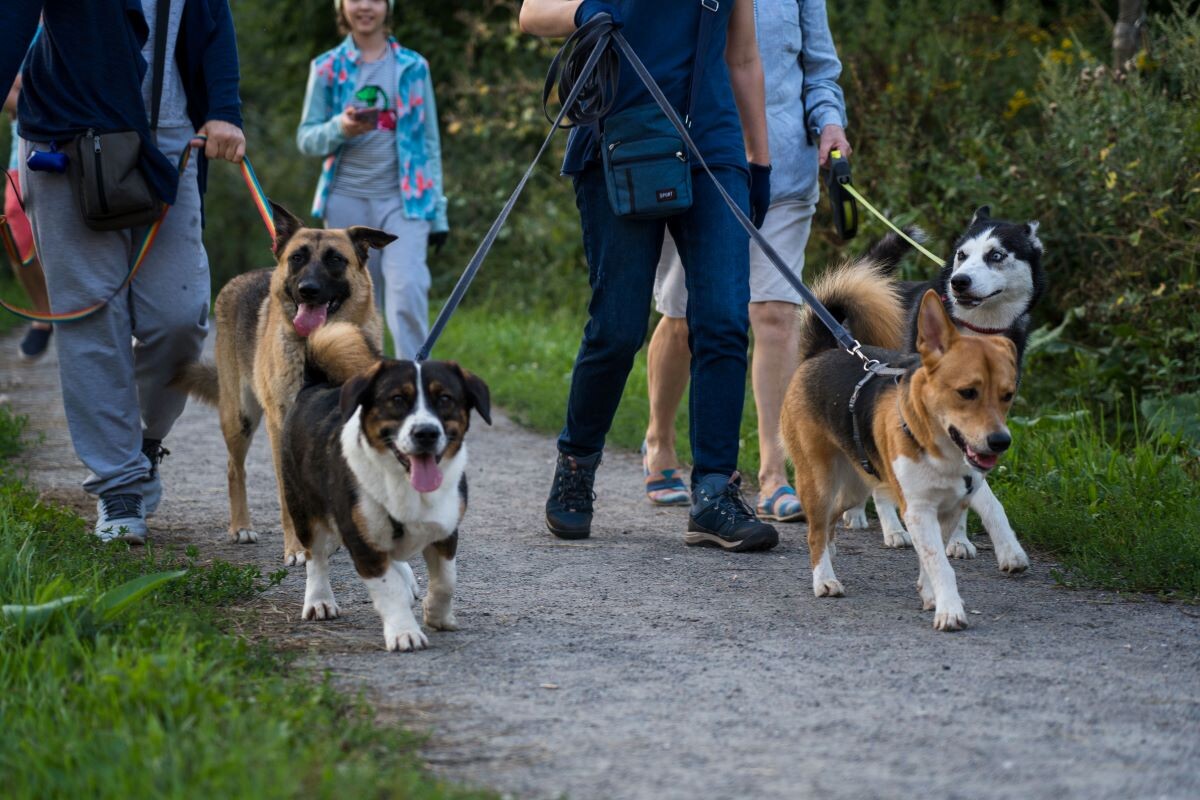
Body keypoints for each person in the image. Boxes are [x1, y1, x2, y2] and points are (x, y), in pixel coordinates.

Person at [520, 0, 781, 552]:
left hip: (710, 147)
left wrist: (759, 161)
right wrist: (590, 9)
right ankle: (576, 464)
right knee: (617, 327)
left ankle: (713, 491)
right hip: (619, 139)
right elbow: (531, 14)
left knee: (725, 319)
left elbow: (742, 57)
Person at [3, 0, 245, 543]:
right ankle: (117, 483)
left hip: (171, 141)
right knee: (92, 316)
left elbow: (213, 20)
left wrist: (225, 108)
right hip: (67, 135)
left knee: (178, 317)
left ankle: (143, 443)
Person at [641, 0, 851, 522]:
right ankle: (659, 440)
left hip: (783, 167)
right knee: (685, 316)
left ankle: (776, 474)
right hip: (698, 162)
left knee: (776, 316)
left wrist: (829, 123)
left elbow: (821, 68)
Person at [297, 0, 450, 359]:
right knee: (355, 300)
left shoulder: (414, 67)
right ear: (341, 6)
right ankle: (363, 382)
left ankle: (415, 381)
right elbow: (306, 138)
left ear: (388, 6)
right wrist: (340, 127)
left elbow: (430, 144)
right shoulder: (326, 69)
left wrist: (438, 213)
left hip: (405, 201)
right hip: (345, 201)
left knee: (408, 292)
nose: (365, 6)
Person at [4, 74, 53, 362]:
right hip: (22, 153)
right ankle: (43, 313)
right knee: (17, 232)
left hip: (83, 143)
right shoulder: (16, 30)